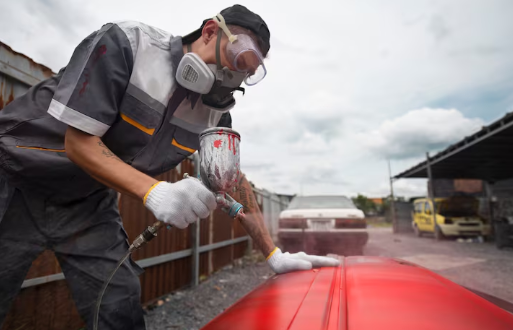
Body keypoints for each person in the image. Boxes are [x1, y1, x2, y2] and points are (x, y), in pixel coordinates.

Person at [0, 4, 339, 329]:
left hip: (86, 200)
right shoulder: (128, 44)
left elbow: (231, 180)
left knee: (119, 302)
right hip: (15, 176)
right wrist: (155, 192)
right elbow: (78, 142)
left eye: (247, 73)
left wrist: (273, 254)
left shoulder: (215, 114)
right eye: (238, 60)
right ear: (210, 31)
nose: (235, 78)